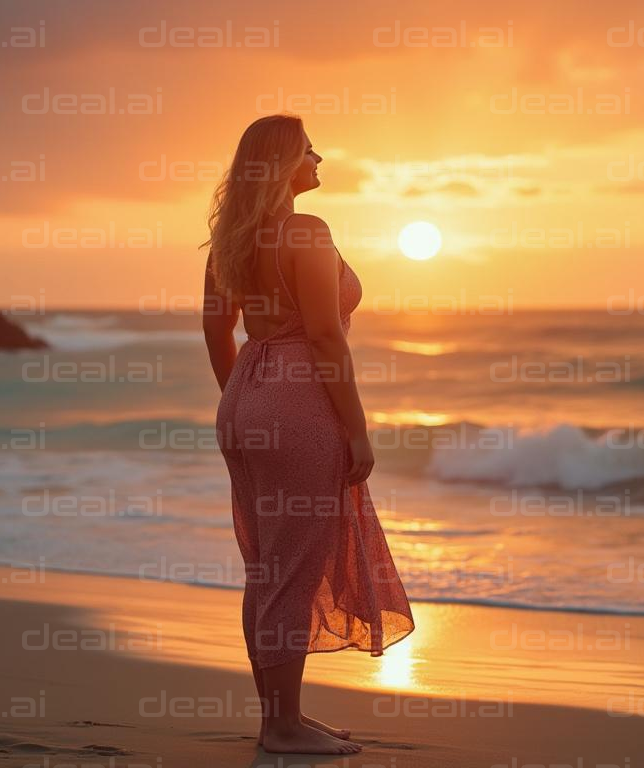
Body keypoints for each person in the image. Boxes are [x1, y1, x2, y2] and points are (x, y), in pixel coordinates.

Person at [202, 114, 415, 755]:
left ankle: (278, 719)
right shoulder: (307, 232)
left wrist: (246, 401)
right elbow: (325, 335)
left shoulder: (231, 238)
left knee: (265, 567)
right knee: (293, 569)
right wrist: (358, 429)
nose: (319, 157)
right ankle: (284, 727)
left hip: (246, 398)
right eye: (309, 150)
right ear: (285, 163)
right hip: (299, 405)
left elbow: (217, 330)